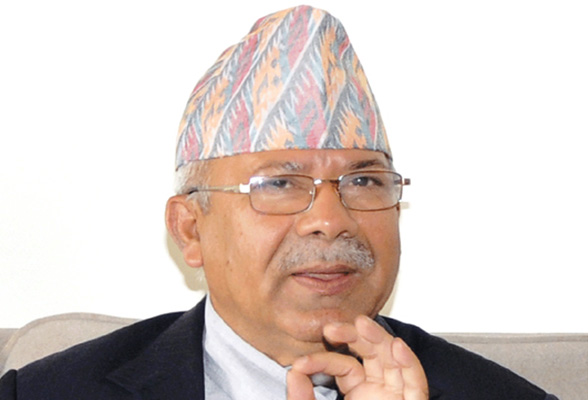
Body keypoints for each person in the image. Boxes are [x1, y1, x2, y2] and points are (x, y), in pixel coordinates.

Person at [0, 5, 558, 400]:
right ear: (190, 229)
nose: (330, 220)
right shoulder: (45, 392)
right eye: (279, 184)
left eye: (364, 182)